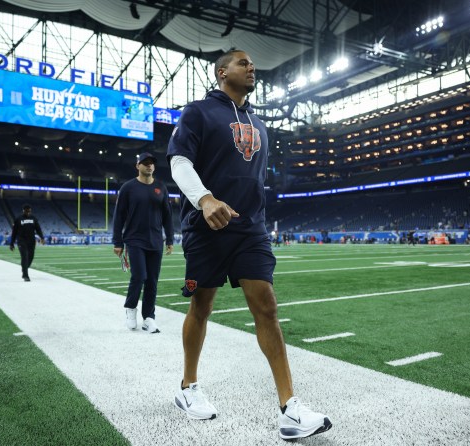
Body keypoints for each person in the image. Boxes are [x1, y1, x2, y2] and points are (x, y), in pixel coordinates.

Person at [167, 50, 332, 440]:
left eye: (253, 63)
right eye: (242, 63)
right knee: (201, 305)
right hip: (205, 227)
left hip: (250, 229)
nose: (251, 67)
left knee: (267, 307)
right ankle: (188, 387)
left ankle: (290, 408)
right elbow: (178, 161)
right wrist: (205, 199)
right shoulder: (198, 112)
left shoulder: (260, 123)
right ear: (222, 72)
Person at [112, 152, 174, 334]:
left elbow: (168, 216)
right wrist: (118, 242)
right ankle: (131, 310)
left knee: (152, 282)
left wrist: (169, 239)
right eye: (145, 163)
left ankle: (149, 317)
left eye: (152, 163)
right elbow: (119, 216)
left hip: (155, 241)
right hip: (134, 239)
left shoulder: (161, 187)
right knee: (139, 277)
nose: (149, 166)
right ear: (137, 166)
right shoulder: (128, 188)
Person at [10, 204, 45, 281]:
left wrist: (42, 237)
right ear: (23, 210)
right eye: (26, 211)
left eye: (29, 211)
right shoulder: (18, 219)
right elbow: (14, 232)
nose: (28, 213)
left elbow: (38, 229)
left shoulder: (33, 218)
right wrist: (11, 243)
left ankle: (24, 268)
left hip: (31, 241)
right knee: (24, 257)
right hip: (21, 241)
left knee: (31, 257)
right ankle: (25, 275)